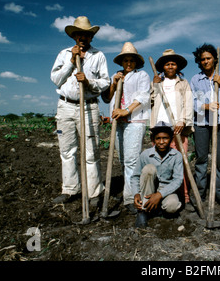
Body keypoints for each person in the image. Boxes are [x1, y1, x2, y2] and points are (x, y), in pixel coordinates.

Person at [50, 16, 110, 207]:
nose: (83, 38)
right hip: (66, 106)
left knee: (91, 151)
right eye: (79, 35)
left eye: (86, 35)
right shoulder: (63, 53)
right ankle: (70, 189)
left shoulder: (98, 55)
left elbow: (105, 81)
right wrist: (70, 62)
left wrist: (88, 82)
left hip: (89, 106)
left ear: (91, 37)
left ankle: (94, 193)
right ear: (74, 37)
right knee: (67, 150)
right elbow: (55, 79)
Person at [101, 42, 150, 214]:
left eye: (131, 60)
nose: (128, 63)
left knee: (132, 161)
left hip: (134, 122)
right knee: (122, 160)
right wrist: (113, 84)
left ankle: (131, 198)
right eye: (125, 60)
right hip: (118, 123)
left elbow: (143, 97)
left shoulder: (141, 75)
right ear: (121, 62)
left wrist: (126, 110)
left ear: (136, 62)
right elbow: (107, 98)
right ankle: (127, 191)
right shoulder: (116, 76)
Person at [190, 43, 220, 208]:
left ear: (215, 59)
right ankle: (199, 193)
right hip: (201, 123)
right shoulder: (195, 79)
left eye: (208, 58)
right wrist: (206, 106)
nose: (206, 61)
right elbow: (191, 101)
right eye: (202, 59)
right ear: (199, 62)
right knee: (201, 159)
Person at [151, 49, 194, 206]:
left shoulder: (183, 83)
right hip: (160, 129)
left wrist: (183, 120)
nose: (170, 66)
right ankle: (162, 195)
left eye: (173, 64)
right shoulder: (157, 82)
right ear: (163, 67)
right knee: (160, 163)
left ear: (177, 67)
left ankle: (184, 195)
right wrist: (155, 86)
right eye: (167, 64)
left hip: (177, 128)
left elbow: (188, 103)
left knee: (180, 163)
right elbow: (149, 101)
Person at [131, 122, 183, 228]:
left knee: (172, 206)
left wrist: (159, 195)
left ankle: (157, 208)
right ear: (153, 139)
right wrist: (136, 193)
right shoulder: (145, 154)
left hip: (166, 190)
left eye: (165, 138)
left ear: (171, 139)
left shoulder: (176, 155)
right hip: (148, 189)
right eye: (158, 138)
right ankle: (143, 212)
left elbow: (178, 180)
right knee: (149, 169)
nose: (161, 142)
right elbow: (135, 176)